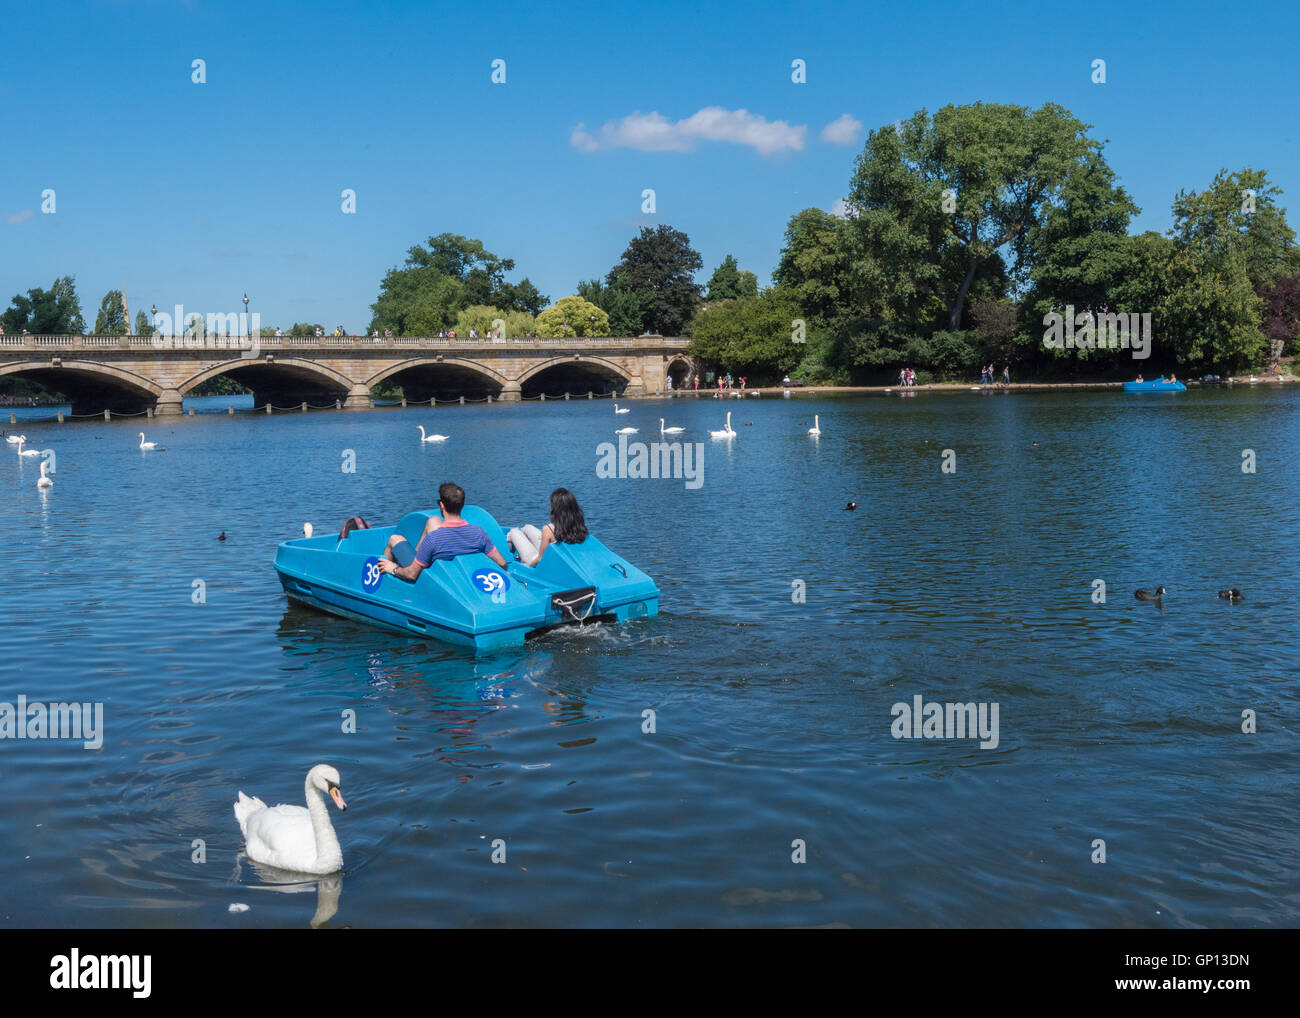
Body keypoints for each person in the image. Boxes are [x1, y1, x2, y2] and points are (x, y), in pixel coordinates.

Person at [378, 481, 508, 581]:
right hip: (460, 576)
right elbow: (502, 563)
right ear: (462, 505)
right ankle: (418, 556)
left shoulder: (434, 539)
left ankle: (383, 580)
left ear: (441, 505)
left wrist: (393, 569)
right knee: (433, 521)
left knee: (394, 539)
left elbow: (412, 575)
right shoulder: (479, 532)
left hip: (429, 577)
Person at [508, 488, 590, 568]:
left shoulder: (548, 529)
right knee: (527, 528)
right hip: (557, 557)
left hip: (542, 563)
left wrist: (527, 566)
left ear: (555, 508)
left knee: (513, 531)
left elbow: (540, 559)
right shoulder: (579, 526)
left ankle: (508, 560)